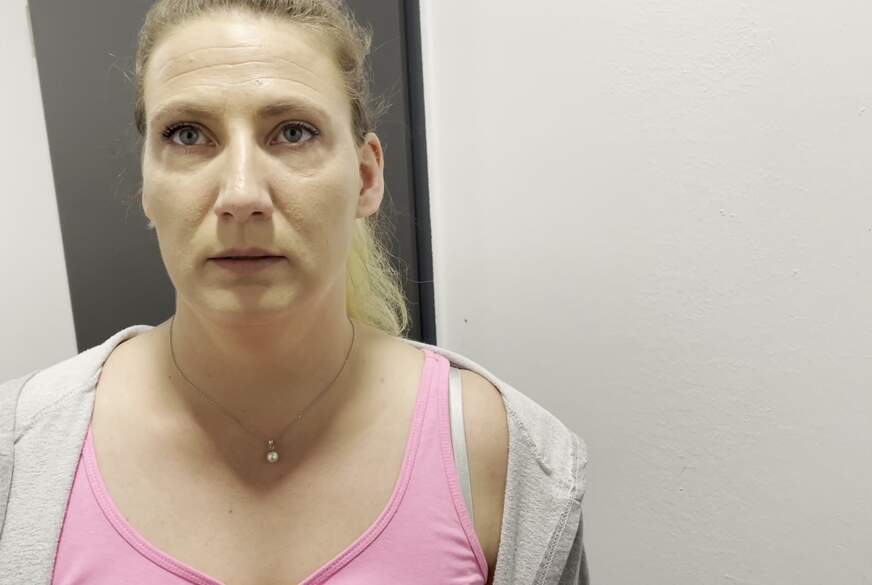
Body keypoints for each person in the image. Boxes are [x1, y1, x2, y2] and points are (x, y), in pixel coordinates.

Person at [0, 1, 589, 583]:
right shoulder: (19, 449)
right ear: (147, 187)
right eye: (188, 134)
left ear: (367, 177)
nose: (241, 194)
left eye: (292, 132)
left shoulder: (505, 456)